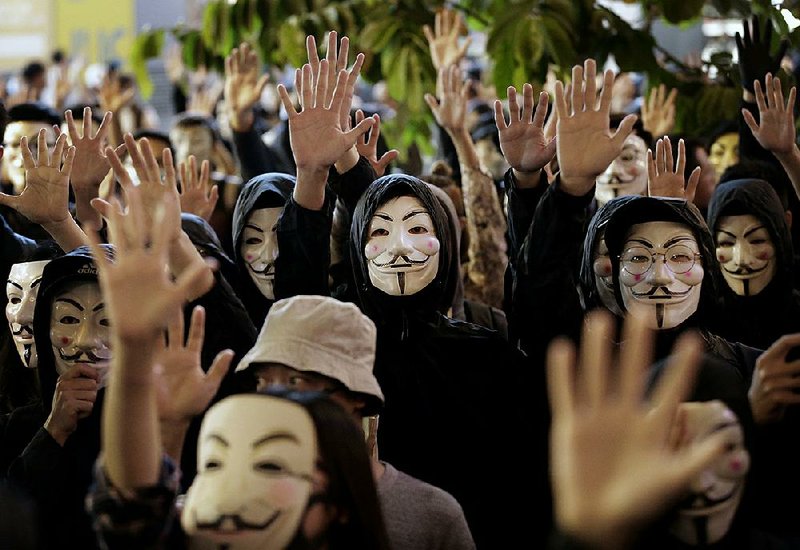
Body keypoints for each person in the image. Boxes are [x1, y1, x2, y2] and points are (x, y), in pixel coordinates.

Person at [235, 294, 476, 550]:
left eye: (296, 381)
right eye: (262, 381)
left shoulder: (430, 515)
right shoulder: (235, 504)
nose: (273, 401)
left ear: (355, 396)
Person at [706, 178, 800, 349]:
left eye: (757, 240)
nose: (742, 260)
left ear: (780, 240)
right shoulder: (705, 324)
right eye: (726, 243)